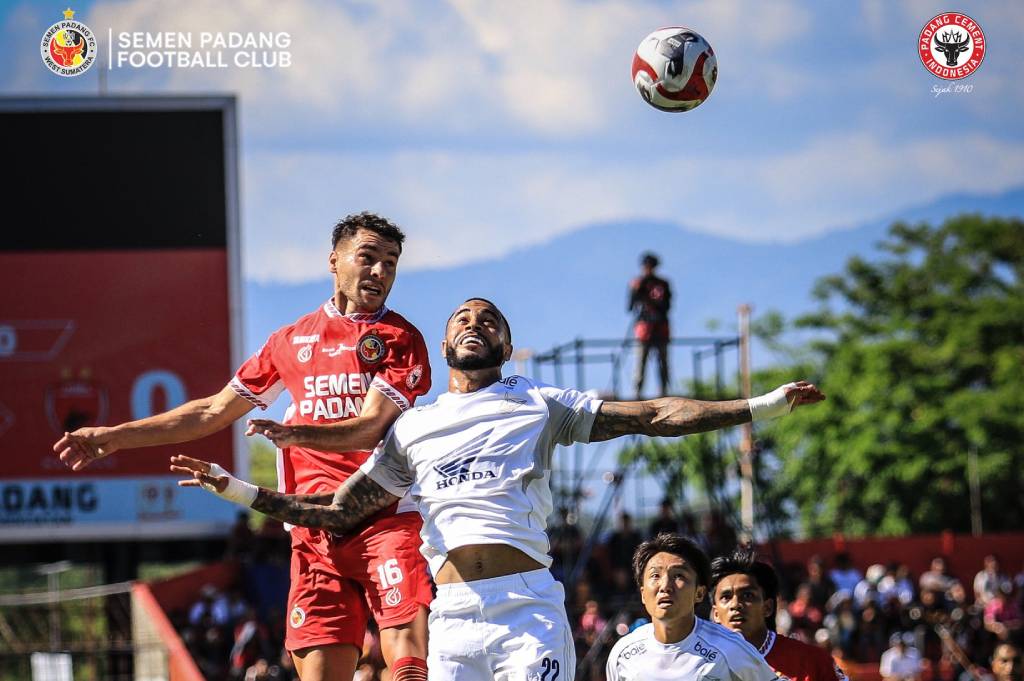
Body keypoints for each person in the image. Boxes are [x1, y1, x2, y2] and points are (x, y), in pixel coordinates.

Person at [171, 298, 825, 681]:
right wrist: (237, 489)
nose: (473, 321)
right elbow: (338, 512)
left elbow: (652, 415)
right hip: (451, 621)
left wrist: (760, 406)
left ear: (505, 343)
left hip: (526, 611)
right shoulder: (415, 426)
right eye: (461, 316)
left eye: (488, 317)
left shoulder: (539, 402)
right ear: (448, 340)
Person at [53, 212, 432, 681]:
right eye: (368, 258)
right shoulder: (291, 341)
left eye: (390, 263)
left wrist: (298, 434)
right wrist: (114, 437)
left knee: (409, 660)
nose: (379, 272)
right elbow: (212, 411)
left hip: (385, 521)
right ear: (334, 261)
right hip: (310, 532)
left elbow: (372, 427)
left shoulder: (400, 339)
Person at [606, 534, 780, 681]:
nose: (665, 585)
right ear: (643, 594)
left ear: (699, 593)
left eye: (678, 575)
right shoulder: (623, 654)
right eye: (655, 575)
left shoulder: (729, 649)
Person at [708, 547, 846, 681]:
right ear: (716, 614)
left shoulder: (813, 661)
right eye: (726, 597)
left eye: (748, 595)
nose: (735, 604)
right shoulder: (700, 668)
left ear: (767, 607)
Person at [628, 252, 672, 397]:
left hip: (660, 328)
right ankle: (637, 393)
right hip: (643, 329)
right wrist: (637, 290)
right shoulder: (638, 283)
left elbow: (666, 306)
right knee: (640, 362)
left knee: (663, 363)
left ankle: (664, 392)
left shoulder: (663, 284)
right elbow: (630, 306)